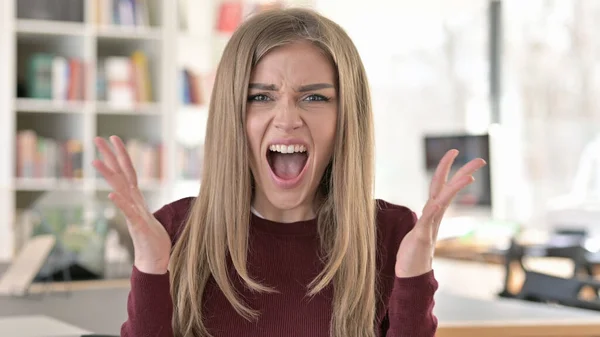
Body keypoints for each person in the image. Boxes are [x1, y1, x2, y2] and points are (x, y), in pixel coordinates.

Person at [93, 7, 486, 337]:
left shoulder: (392, 233)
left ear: (346, 117)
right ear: (232, 115)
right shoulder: (176, 230)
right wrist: (150, 267)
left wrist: (415, 279)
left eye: (314, 97)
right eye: (260, 97)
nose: (287, 119)